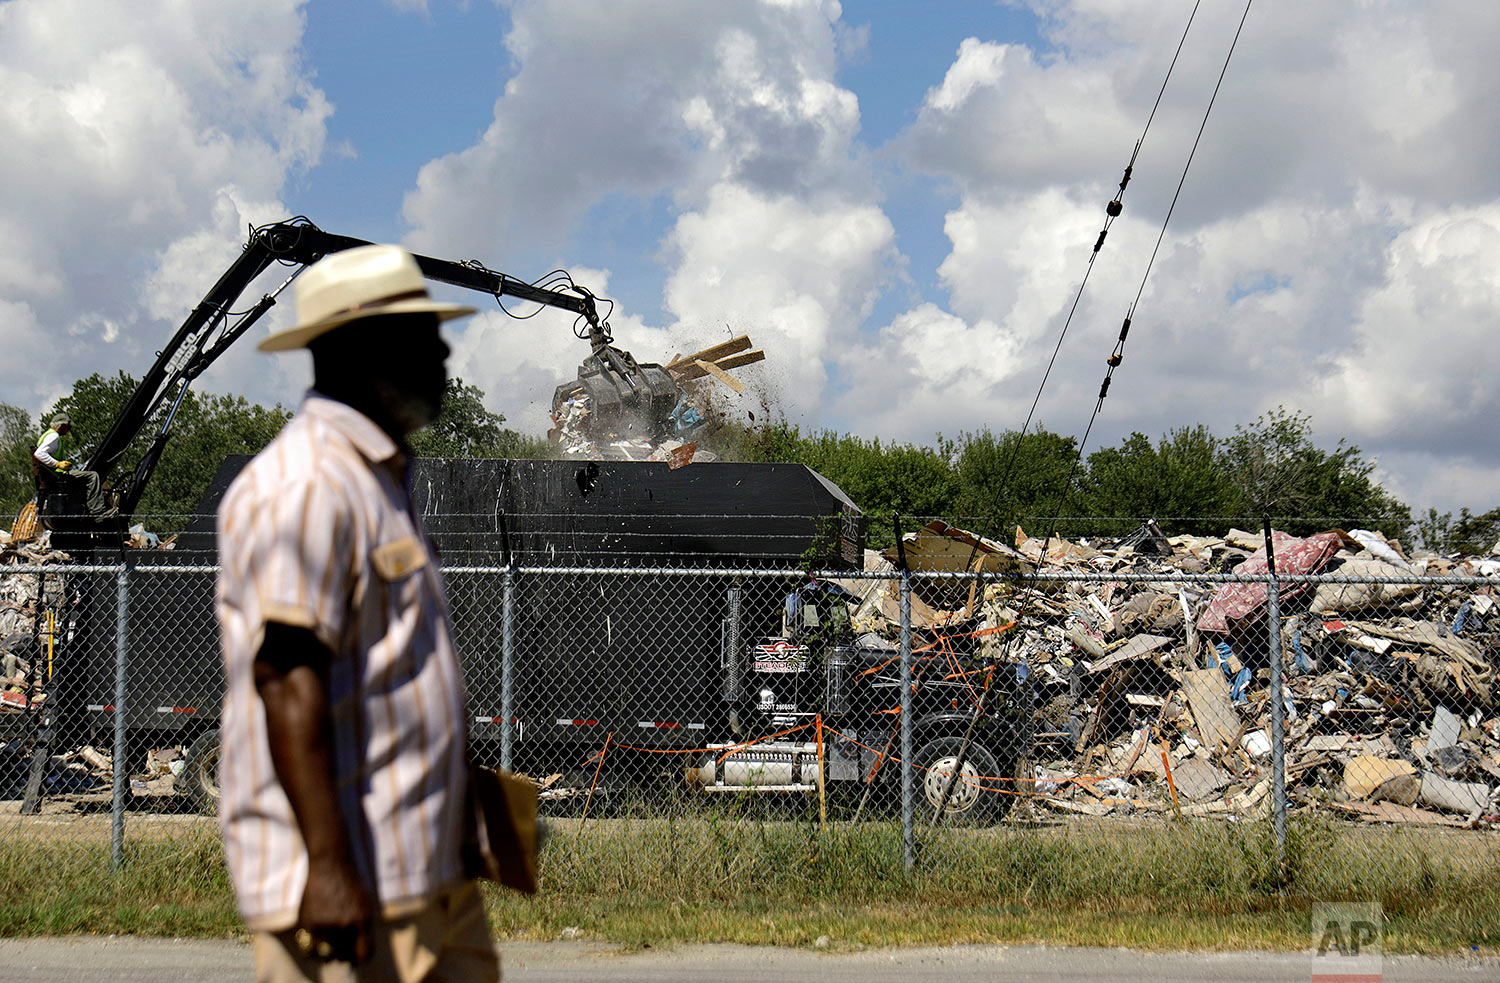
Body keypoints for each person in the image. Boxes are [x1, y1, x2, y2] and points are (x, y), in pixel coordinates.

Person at [214, 244, 500, 982]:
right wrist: (329, 866)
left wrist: (458, 822)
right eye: (422, 334)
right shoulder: (309, 484)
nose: (443, 351)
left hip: (419, 868)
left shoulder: (376, 478)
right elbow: (285, 674)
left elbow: (393, 672)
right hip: (353, 882)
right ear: (361, 348)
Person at [32, 413, 109, 516]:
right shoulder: (53, 436)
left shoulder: (47, 435)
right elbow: (39, 454)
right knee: (92, 476)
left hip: (53, 476)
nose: (69, 430)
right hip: (58, 475)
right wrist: (57, 464)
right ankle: (98, 511)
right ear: (62, 426)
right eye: (68, 427)